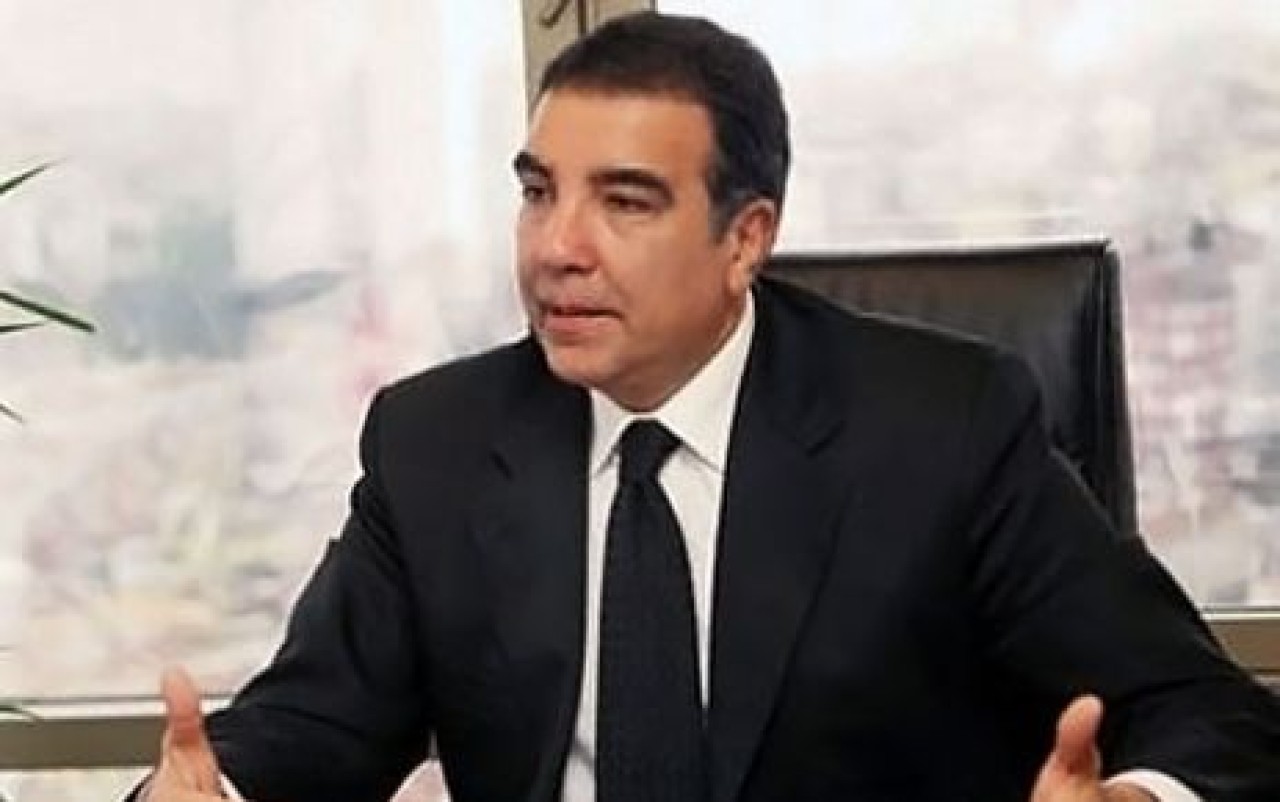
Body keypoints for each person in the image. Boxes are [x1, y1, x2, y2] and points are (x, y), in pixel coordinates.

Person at [140, 11, 1280, 802]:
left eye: (624, 202)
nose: (556, 248)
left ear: (745, 239)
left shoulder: (944, 428)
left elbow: (1205, 715)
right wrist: (211, 790)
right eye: (538, 192)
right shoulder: (436, 441)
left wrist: (1134, 797)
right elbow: (313, 726)